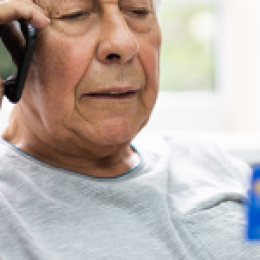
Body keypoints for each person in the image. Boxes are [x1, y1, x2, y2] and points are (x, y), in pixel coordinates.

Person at [0, 0, 259, 259]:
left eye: (138, 11)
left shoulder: (209, 159)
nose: (125, 43)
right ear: (12, 37)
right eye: (75, 14)